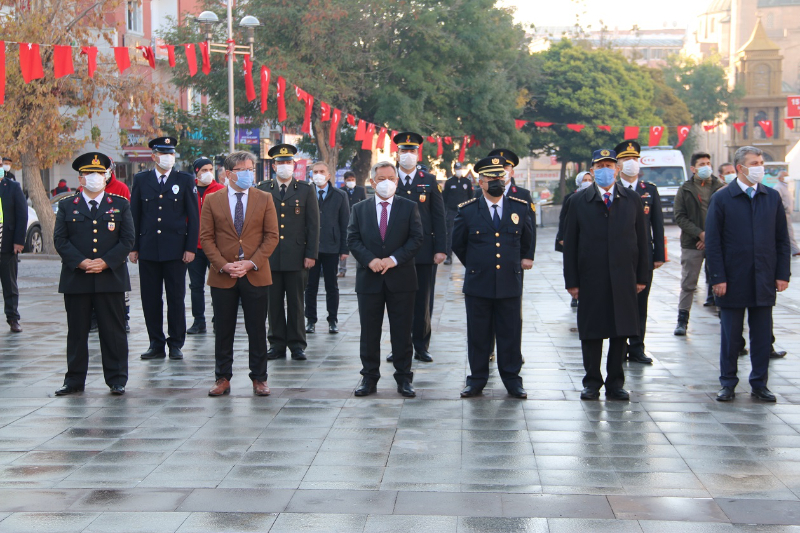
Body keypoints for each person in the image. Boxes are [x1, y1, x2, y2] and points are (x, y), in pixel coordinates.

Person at [563, 148, 650, 401]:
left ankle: (615, 383)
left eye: (610, 165)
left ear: (617, 169)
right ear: (592, 171)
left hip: (624, 276)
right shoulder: (579, 201)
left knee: (620, 331)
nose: (605, 170)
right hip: (591, 277)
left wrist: (641, 276)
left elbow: (642, 241)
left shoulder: (632, 199)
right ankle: (591, 382)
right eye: (600, 166)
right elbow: (570, 244)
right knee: (591, 332)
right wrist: (572, 281)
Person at [706, 146, 791, 403]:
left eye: (761, 162)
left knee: (762, 335)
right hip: (732, 279)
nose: (760, 167)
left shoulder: (771, 197)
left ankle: (759, 383)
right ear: (741, 168)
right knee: (731, 336)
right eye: (755, 163)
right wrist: (717, 277)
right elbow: (713, 242)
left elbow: (781, 239)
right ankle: (728, 383)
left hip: (763, 276)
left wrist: (782, 273)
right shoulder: (722, 198)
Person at [452, 155, 534, 399]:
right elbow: (459, 244)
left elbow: (527, 238)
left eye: (500, 177)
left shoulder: (519, 207)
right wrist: (477, 265)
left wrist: (524, 259)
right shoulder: (467, 211)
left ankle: (512, 380)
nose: (496, 181)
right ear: (481, 182)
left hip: (510, 281)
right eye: (491, 178)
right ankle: (476, 380)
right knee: (478, 334)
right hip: (479, 282)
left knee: (510, 332)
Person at [53, 153, 134, 395]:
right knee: (77, 332)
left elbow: (127, 239)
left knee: (114, 331)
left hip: (111, 277)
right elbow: (60, 239)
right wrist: (81, 262)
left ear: (107, 176)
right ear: (80, 178)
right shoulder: (68, 205)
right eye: (89, 174)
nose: (95, 178)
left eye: (99, 174)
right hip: (77, 277)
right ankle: (74, 380)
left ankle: (117, 378)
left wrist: (106, 262)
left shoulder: (120, 204)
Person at [200, 151, 279, 397]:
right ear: (228, 173)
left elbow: (271, 236)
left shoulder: (264, 198)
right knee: (223, 329)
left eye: (250, 169)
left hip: (255, 273)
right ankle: (222, 377)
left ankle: (259, 378)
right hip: (223, 275)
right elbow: (206, 238)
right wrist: (223, 265)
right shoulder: (212, 200)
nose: (248, 174)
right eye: (242, 169)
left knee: (256, 328)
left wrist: (251, 263)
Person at [347, 161, 423, 397]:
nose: (386, 183)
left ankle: (404, 378)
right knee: (369, 332)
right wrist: (370, 260)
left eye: (391, 178)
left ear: (397, 181)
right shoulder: (360, 209)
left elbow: (416, 238)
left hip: (401, 278)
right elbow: (353, 239)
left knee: (401, 331)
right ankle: (369, 377)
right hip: (369, 279)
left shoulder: (409, 207)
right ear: (372, 182)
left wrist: (393, 259)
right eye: (381, 179)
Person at [129, 137, 200, 360]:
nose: (168, 157)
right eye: (163, 153)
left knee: (176, 298)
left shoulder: (185, 179)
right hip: (149, 248)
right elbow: (135, 215)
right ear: (153, 156)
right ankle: (155, 343)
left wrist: (191, 247)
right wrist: (134, 246)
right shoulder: (141, 180)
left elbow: (194, 217)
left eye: (171, 153)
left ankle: (176, 343)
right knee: (151, 298)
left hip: (176, 249)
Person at [256, 144, 319, 360]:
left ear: (294, 165)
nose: (284, 166)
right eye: (280, 163)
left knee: (295, 301)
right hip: (269, 257)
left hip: (297, 256)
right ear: (274, 166)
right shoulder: (263, 189)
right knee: (272, 303)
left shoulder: (305, 189)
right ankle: (276, 344)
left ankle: (297, 344)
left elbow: (313, 224)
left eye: (288, 162)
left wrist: (311, 254)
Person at [388, 131, 446, 363]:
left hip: (424, 251)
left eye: (412, 151)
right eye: (404, 151)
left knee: (423, 301)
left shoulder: (429, 180)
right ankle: (399, 346)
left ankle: (421, 345)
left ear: (418, 153)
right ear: (397, 153)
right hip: (395, 251)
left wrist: (441, 248)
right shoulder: (389, 180)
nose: (408, 155)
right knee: (397, 302)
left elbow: (439, 216)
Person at [614, 140, 665, 364]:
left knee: (640, 303)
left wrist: (659, 255)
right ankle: (619, 346)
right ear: (618, 164)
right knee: (619, 302)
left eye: (634, 159)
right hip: (617, 256)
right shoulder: (612, 189)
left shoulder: (649, 190)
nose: (631, 163)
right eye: (626, 159)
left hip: (643, 255)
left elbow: (658, 224)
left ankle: (637, 346)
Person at [672, 152, 724, 336]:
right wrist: (700, 234)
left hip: (716, 243)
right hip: (692, 243)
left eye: (708, 163)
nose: (706, 167)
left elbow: (726, 216)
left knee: (720, 280)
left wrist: (709, 238)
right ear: (693, 169)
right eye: (702, 164)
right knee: (688, 283)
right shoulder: (685, 189)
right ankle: (682, 320)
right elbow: (679, 216)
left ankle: (725, 319)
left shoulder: (720, 187)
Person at [305, 161, 349, 334]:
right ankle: (310, 320)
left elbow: (345, 223)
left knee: (332, 285)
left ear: (329, 175)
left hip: (331, 246)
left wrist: (344, 248)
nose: (318, 174)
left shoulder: (340, 195)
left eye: (322, 171)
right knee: (310, 286)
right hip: (311, 249)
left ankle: (332, 320)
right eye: (315, 171)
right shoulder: (306, 193)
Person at [187, 157, 225, 335]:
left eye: (210, 169)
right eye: (204, 170)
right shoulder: (189, 190)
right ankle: (198, 320)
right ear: (196, 172)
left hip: (215, 247)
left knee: (218, 284)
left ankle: (219, 318)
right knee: (196, 285)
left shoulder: (220, 190)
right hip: (194, 247)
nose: (208, 173)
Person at [0, 163, 27, 333]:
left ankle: (13, 318)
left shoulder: (12, 187)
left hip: (6, 242)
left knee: (9, 284)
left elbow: (22, 214)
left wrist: (19, 241)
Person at [442, 162, 473, 265]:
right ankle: (449, 256)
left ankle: (468, 256)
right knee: (450, 234)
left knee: (467, 234)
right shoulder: (450, 182)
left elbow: (471, 197)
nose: (458, 170)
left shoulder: (467, 182)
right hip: (452, 211)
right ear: (454, 169)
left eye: (460, 168)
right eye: (457, 169)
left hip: (465, 211)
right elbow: (444, 198)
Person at [339, 171, 367, 277]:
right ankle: (342, 270)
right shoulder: (341, 191)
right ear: (345, 181)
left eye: (352, 180)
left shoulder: (360, 190)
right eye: (348, 180)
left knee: (359, 244)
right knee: (344, 245)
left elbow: (365, 203)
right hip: (345, 220)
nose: (351, 182)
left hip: (358, 220)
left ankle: (363, 265)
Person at [774, 171, 800, 256]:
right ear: (780, 178)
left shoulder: (786, 187)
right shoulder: (778, 187)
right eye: (785, 176)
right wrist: (787, 208)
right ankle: (795, 250)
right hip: (783, 213)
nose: (787, 177)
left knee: (788, 232)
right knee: (789, 232)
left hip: (788, 213)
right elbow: (779, 201)